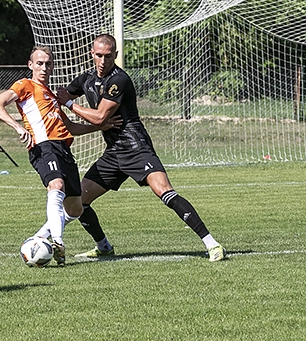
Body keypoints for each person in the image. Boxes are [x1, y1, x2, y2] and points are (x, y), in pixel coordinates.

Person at [56, 34, 226, 262]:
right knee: (78, 200)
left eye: (108, 56)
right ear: (91, 53)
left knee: (164, 190)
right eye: (99, 55)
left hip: (136, 148)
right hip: (113, 153)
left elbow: (98, 117)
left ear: (115, 55)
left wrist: (68, 103)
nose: (103, 61)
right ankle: (103, 246)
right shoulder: (86, 79)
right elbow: (60, 95)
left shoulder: (120, 80)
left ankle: (212, 244)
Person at [0, 45, 114, 266]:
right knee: (56, 186)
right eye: (39, 63)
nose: (44, 67)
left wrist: (101, 126)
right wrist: (18, 128)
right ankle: (57, 242)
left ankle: (39, 240)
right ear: (31, 65)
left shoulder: (53, 97)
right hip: (43, 147)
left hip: (63, 150)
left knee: (75, 208)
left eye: (48, 63)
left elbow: (71, 128)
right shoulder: (24, 85)